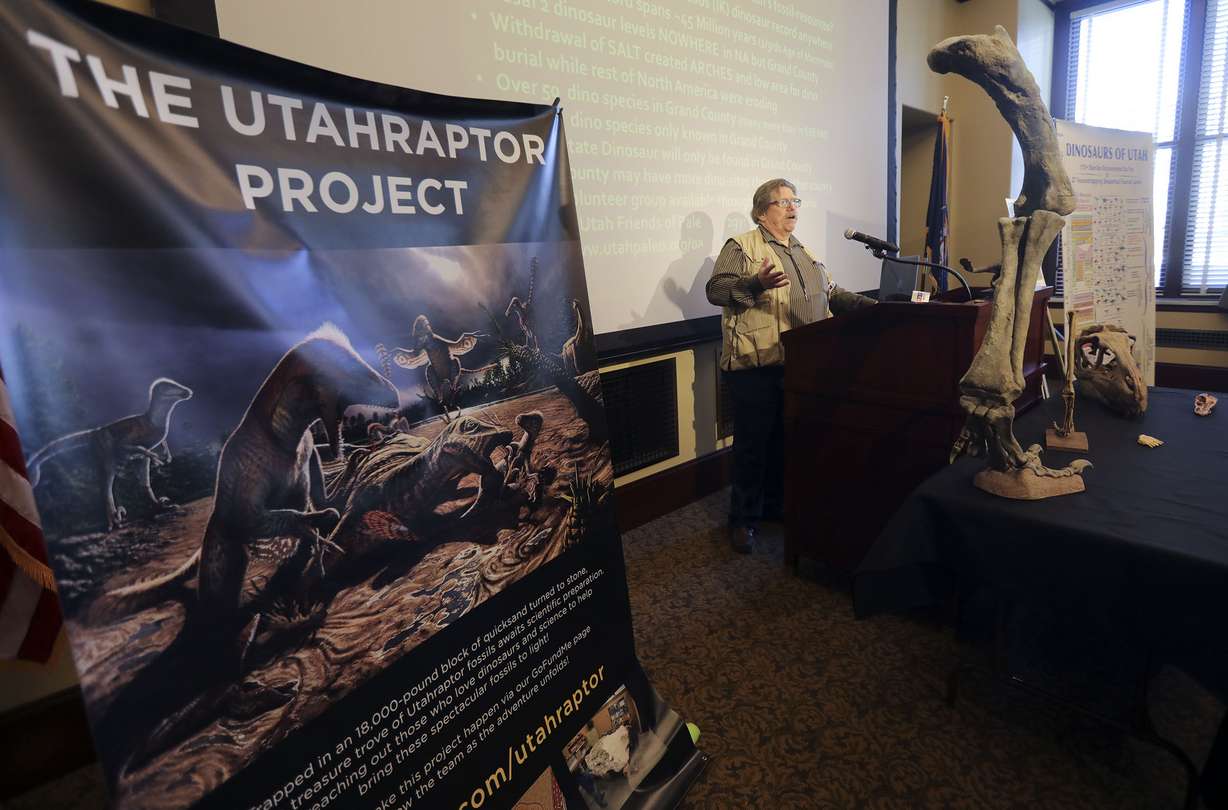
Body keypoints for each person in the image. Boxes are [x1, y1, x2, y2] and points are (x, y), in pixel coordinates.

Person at [706, 178, 875, 553]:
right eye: (783, 202)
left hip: (799, 365)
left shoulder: (804, 251)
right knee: (753, 447)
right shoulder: (742, 246)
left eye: (795, 200)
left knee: (786, 442)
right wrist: (754, 282)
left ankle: (775, 508)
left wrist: (876, 309)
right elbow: (716, 290)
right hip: (756, 365)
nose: (792, 206)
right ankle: (743, 520)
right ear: (761, 212)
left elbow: (831, 293)